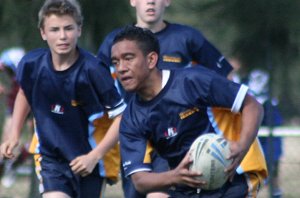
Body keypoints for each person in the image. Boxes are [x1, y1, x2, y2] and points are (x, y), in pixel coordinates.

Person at [97, 0, 234, 197]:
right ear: (133, 1)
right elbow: (96, 86)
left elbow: (224, 79)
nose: (151, 1)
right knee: (139, 188)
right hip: (135, 136)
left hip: (176, 137)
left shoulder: (187, 37)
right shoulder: (115, 42)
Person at [111, 26, 265, 198]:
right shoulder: (131, 119)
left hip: (234, 178)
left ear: (151, 60)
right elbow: (140, 181)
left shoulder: (192, 81)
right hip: (188, 188)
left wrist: (242, 147)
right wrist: (175, 176)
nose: (121, 68)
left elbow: (253, 105)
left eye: (128, 58)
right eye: (115, 62)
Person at [0, 0, 126, 198]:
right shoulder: (31, 65)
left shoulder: (94, 71)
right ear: (43, 33)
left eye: (68, 28)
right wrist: (14, 134)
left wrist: (94, 156)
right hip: (50, 158)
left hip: (89, 159)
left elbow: (122, 117)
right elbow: (24, 93)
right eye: (54, 29)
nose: (62, 36)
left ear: (79, 30)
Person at [247, 69, 283, 198]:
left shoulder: (270, 103)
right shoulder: (250, 98)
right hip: (257, 147)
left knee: (272, 176)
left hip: (270, 146)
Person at [0, 47, 30, 188]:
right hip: (16, 100)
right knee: (8, 140)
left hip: (32, 101)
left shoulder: (28, 73)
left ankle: (13, 165)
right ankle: (6, 164)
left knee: (32, 142)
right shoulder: (8, 58)